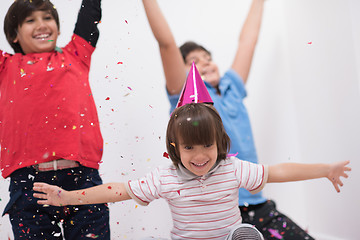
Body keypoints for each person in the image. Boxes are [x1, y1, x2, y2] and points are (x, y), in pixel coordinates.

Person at [33, 103, 351, 240]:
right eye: (189, 148)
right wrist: (67, 197)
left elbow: (278, 171)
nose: (199, 156)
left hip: (230, 235)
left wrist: (325, 169)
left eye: (206, 146)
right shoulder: (165, 177)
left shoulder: (231, 168)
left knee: (241, 233)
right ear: (176, 148)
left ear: (219, 143)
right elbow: (119, 190)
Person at [141, 0, 319, 238]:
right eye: (195, 60)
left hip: (256, 204)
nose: (204, 61)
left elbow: (248, 41)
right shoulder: (185, 100)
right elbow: (167, 45)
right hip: (218, 212)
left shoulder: (231, 87)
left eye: (207, 56)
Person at [0, 0, 110, 239]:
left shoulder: (77, 55)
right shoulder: (5, 67)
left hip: (83, 179)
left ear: (59, 29)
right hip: (29, 184)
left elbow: (90, 14)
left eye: (47, 18)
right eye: (30, 21)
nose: (41, 25)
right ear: (13, 35)